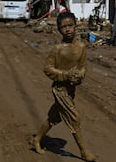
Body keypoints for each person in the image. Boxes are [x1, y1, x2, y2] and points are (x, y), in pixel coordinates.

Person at [31, 12, 96, 162]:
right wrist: (66, 74)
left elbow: (83, 67)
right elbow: (48, 69)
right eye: (63, 27)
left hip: (71, 89)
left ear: (76, 26)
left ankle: (37, 139)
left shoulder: (81, 47)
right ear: (59, 29)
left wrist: (79, 75)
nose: (67, 30)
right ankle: (84, 152)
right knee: (75, 119)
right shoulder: (58, 49)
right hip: (60, 90)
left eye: (70, 26)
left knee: (54, 117)